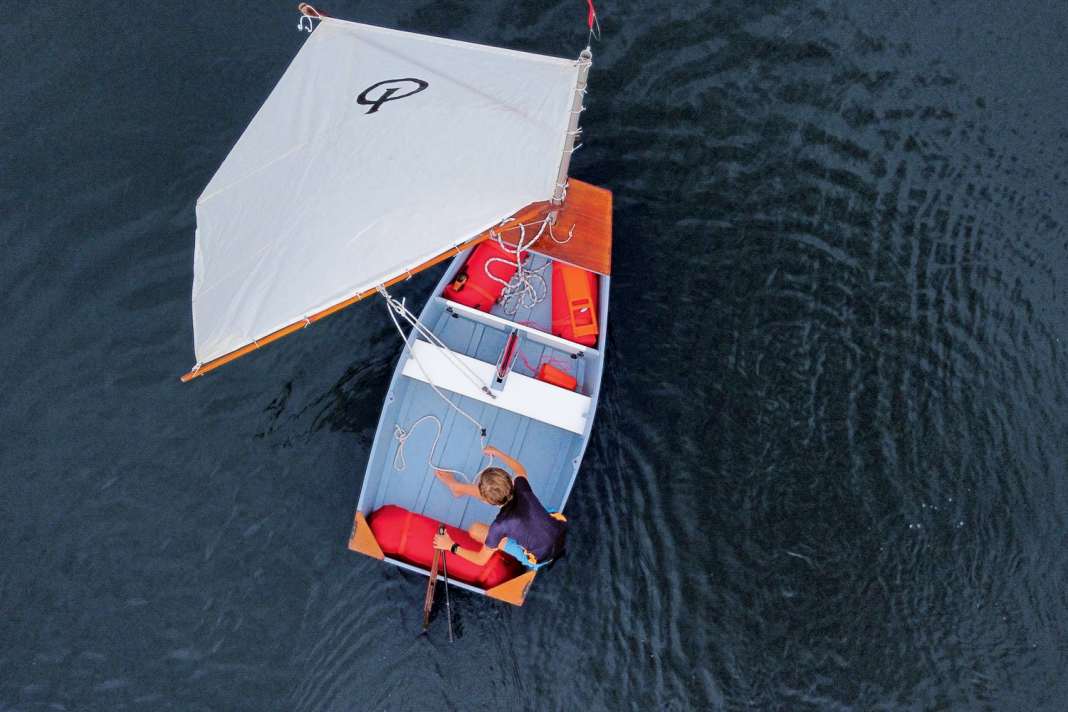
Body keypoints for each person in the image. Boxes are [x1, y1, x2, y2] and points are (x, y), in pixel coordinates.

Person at [432, 445, 566, 569]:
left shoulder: (499, 526)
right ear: (510, 479)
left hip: (541, 559)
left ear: (486, 502)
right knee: (525, 518)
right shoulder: (521, 486)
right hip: (559, 530)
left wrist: (450, 546)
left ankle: (456, 488)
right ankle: (457, 488)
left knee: (475, 530)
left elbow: (480, 560)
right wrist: (497, 452)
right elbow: (520, 469)